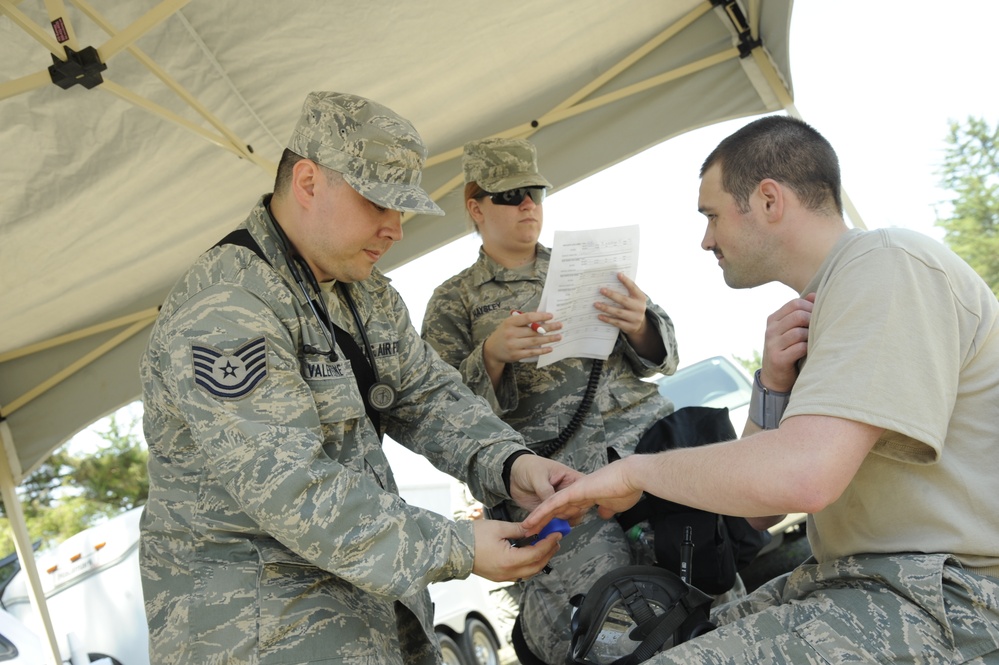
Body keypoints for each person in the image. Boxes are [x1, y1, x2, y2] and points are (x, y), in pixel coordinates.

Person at [523, 115, 999, 663]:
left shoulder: (888, 263)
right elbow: (759, 516)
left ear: (769, 200)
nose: (706, 240)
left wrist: (634, 472)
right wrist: (772, 385)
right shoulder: (829, 304)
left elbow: (804, 479)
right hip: (867, 584)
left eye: (712, 216)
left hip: (951, 599)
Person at [138, 92, 582, 665]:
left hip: (365, 596)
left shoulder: (359, 289)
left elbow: (426, 394)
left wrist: (511, 464)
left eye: (402, 209)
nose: (395, 229)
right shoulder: (226, 307)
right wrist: (456, 547)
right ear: (307, 182)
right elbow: (291, 485)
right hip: (259, 627)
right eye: (379, 204)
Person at [421, 137, 680, 663]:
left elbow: (665, 352)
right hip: (564, 493)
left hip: (649, 459)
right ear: (475, 207)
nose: (528, 205)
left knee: (704, 595)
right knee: (609, 632)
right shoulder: (455, 300)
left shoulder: (587, 266)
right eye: (510, 194)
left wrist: (641, 325)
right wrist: (491, 356)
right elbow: (435, 413)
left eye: (535, 192)